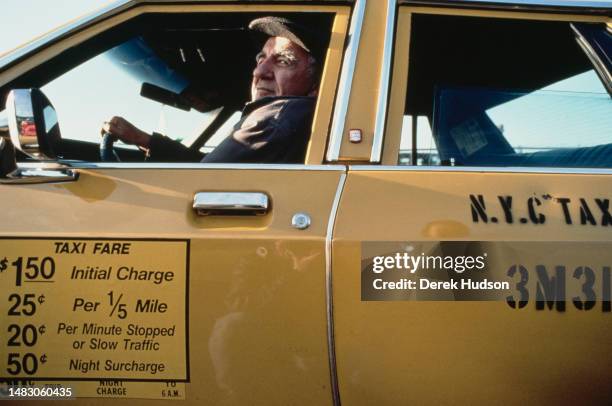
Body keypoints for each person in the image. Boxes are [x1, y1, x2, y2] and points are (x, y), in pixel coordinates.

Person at [101, 17, 324, 163]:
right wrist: (144, 140)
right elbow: (210, 168)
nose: (259, 72)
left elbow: (199, 179)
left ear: (316, 85)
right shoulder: (291, 122)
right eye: (261, 59)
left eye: (283, 61)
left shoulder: (276, 117)